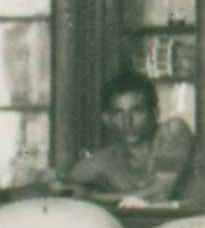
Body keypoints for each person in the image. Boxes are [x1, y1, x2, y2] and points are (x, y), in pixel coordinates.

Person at [63, 70, 193, 207]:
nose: (127, 121)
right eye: (118, 113)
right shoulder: (103, 161)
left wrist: (92, 197)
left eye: (137, 111)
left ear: (155, 113)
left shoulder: (173, 131)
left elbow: (160, 193)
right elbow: (65, 187)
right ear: (107, 119)